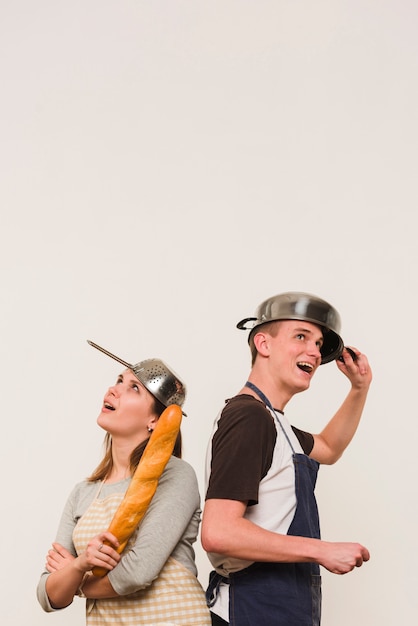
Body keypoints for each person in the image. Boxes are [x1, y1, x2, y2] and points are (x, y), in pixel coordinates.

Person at [201, 292, 372, 626]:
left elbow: (329, 448)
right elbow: (218, 531)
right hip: (251, 611)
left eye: (319, 344)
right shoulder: (250, 417)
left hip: (280, 610)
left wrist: (359, 388)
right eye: (301, 337)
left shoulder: (275, 423)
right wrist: (321, 549)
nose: (314, 351)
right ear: (263, 343)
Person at [37, 340, 211, 626]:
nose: (113, 389)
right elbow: (48, 595)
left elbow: (137, 573)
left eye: (134, 387)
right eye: (119, 380)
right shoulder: (84, 492)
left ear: (157, 419)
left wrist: (75, 582)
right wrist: (80, 564)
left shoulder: (175, 475)